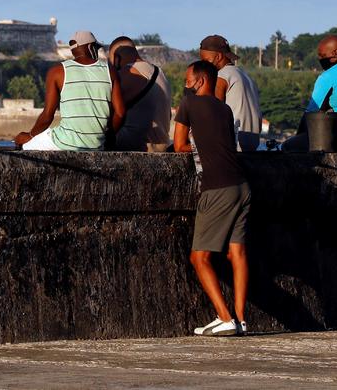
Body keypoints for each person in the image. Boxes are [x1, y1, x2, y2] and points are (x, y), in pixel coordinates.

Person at [174, 60, 249, 336]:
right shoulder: (225, 109)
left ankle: (224, 316)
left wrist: (194, 144)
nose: (185, 84)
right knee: (237, 253)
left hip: (217, 187)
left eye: (187, 79)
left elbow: (179, 145)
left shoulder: (188, 104)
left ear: (201, 80)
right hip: (242, 185)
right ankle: (240, 319)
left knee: (199, 258)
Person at [15, 30, 125, 151]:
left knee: (23, 147)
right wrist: (106, 137)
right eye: (96, 47)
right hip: (97, 145)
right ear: (90, 46)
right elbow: (120, 113)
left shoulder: (57, 72)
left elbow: (47, 116)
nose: (97, 51)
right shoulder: (110, 71)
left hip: (64, 142)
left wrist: (30, 136)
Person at [107, 36, 173, 152]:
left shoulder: (128, 72)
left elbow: (107, 109)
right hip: (162, 146)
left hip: (139, 146)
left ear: (116, 58)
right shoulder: (160, 72)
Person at [199, 35, 262, 153]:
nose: (203, 65)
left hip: (234, 145)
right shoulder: (245, 75)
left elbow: (212, 114)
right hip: (253, 145)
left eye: (205, 60)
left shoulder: (222, 76)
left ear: (218, 57)